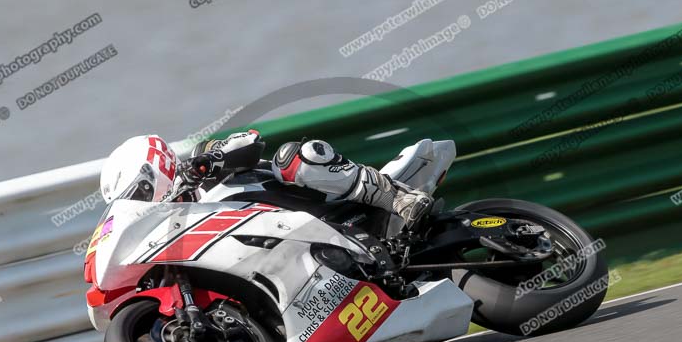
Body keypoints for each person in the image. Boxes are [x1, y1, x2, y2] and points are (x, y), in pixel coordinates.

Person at [101, 130, 433, 230]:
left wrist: (211, 160)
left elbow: (250, 141)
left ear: (154, 167)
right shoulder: (173, 229)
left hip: (318, 207)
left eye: (138, 193)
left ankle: (397, 198)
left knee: (292, 158)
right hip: (284, 244)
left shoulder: (201, 164)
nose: (138, 203)